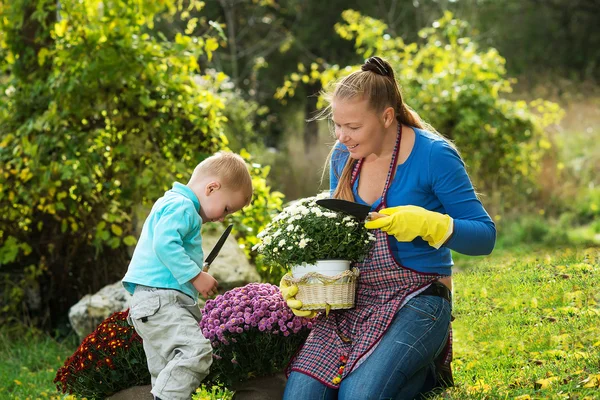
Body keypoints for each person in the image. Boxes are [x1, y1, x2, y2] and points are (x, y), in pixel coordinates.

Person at [281, 56, 496, 399]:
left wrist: (430, 223)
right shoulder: (343, 157)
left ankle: (423, 366)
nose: (342, 136)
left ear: (386, 116)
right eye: (337, 125)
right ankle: (414, 376)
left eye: (352, 126)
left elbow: (484, 237)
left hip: (420, 299)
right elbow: (342, 240)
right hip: (356, 301)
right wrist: (309, 279)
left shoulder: (434, 155)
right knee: (300, 396)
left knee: (358, 395)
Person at [123, 151, 253, 400]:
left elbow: (166, 248)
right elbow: (164, 244)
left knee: (166, 372)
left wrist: (194, 270)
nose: (221, 217)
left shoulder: (174, 203)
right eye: (226, 208)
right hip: (161, 300)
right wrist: (195, 276)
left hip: (152, 301)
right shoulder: (183, 206)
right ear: (212, 187)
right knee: (196, 352)